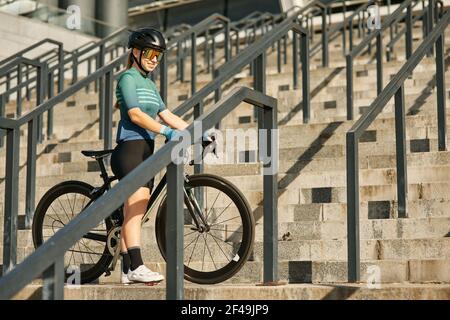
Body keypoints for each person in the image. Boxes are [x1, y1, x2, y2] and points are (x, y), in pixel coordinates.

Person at [110, 27, 189, 284]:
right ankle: (136, 266)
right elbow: (135, 115)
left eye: (159, 54)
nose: (155, 58)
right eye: (151, 52)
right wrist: (166, 131)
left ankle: (125, 271)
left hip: (147, 151)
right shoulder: (128, 79)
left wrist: (196, 130)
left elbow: (167, 115)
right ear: (136, 52)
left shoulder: (150, 85)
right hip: (130, 151)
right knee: (136, 210)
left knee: (133, 212)